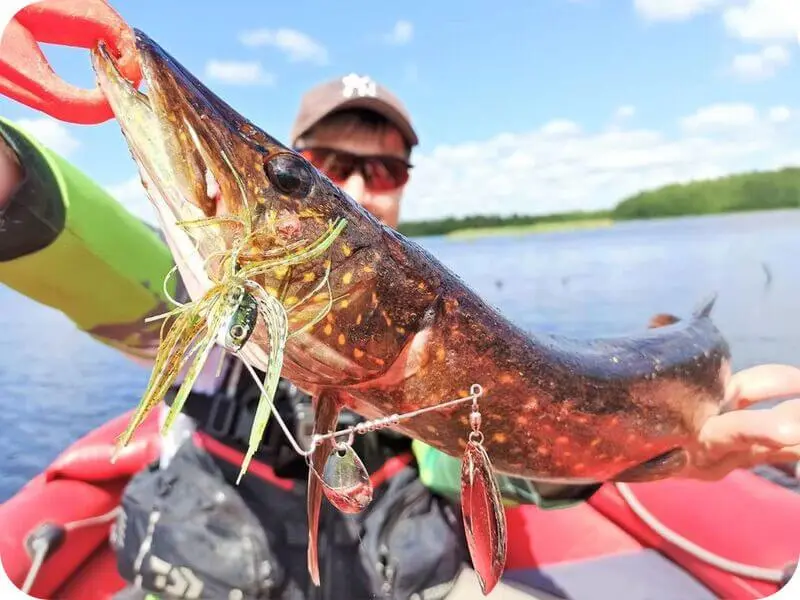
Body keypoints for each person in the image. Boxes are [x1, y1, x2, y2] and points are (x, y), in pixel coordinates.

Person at [1, 73, 799, 599]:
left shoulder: (439, 325)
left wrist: (631, 454)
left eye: (383, 172)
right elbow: (105, 262)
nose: (354, 188)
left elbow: (483, 466)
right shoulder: (209, 324)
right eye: (317, 165)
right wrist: (14, 176)